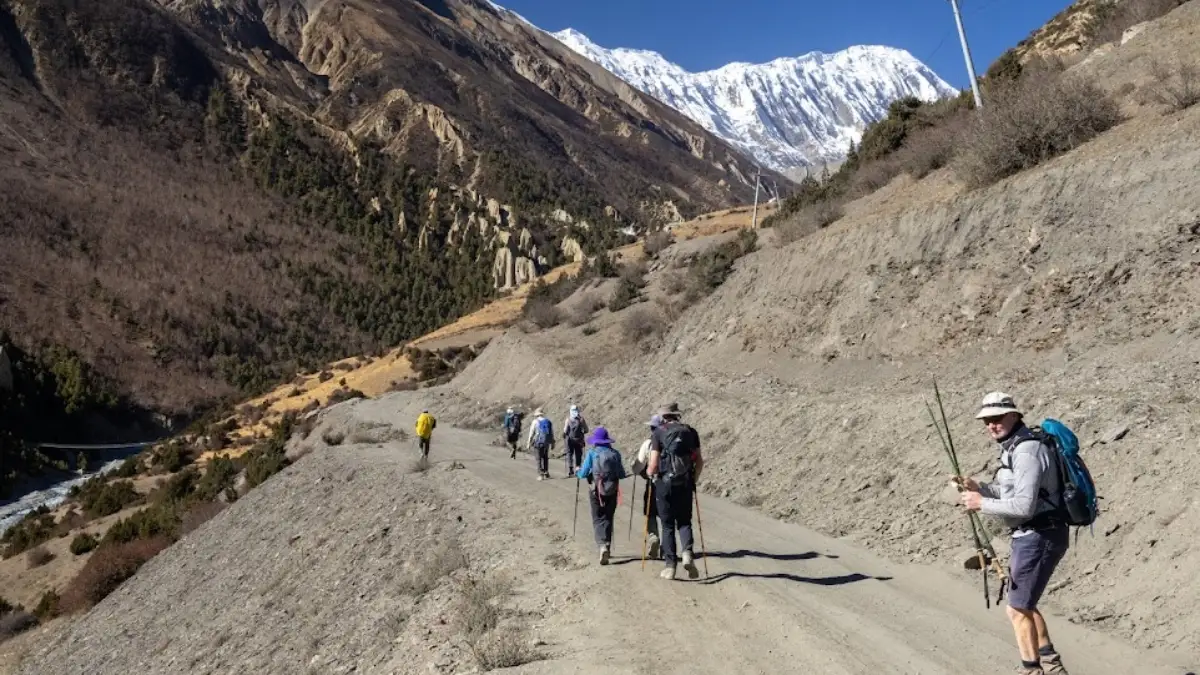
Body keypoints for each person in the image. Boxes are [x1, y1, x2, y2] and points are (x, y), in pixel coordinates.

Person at [956, 392, 1070, 675]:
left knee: (1016, 609)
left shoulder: (1027, 451)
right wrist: (980, 487)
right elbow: (1011, 492)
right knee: (1024, 604)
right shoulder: (1014, 447)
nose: (991, 425)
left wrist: (981, 503)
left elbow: (1023, 505)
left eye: (996, 418)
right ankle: (1051, 664)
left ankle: (1031, 669)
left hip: (1039, 535)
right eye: (986, 421)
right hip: (1030, 535)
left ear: (1014, 415)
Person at [646, 402, 703, 580]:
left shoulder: (658, 433)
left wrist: (650, 474)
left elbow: (653, 463)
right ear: (677, 415)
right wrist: (693, 480)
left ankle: (670, 567)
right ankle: (687, 553)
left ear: (663, 416)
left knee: (668, 524)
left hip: (665, 484)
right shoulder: (691, 432)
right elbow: (700, 461)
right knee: (685, 522)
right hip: (685, 483)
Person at [576, 426, 627, 565]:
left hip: (596, 490)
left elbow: (583, 473)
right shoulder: (615, 454)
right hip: (612, 490)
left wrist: (577, 471)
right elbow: (622, 474)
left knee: (598, 518)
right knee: (608, 517)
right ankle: (608, 546)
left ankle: (602, 545)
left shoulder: (592, 453)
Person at [631, 414, 663, 560]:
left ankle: (653, 536)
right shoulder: (671, 441)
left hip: (653, 483)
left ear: (651, 428)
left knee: (650, 512)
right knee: (666, 516)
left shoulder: (648, 444)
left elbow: (639, 465)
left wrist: (635, 469)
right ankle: (668, 546)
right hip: (671, 484)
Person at [526, 408, 554, 480]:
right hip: (546, 442)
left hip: (538, 442)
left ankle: (540, 474)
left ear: (537, 415)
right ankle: (546, 472)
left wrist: (528, 443)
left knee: (538, 458)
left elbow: (531, 433)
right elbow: (551, 433)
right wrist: (552, 443)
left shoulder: (535, 422)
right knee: (545, 457)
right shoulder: (548, 422)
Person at [562, 404, 588, 477]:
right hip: (579, 440)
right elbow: (586, 430)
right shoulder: (581, 419)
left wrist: (564, 435)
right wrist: (582, 433)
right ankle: (577, 469)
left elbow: (565, 430)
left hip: (569, 440)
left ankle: (571, 470)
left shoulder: (568, 419)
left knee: (569, 454)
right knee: (578, 454)